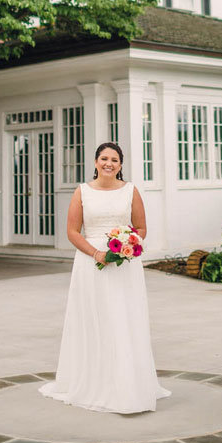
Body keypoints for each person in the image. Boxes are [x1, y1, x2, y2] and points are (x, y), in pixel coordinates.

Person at [39, 141, 171, 413]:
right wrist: (96, 254)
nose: (108, 163)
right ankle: (94, 382)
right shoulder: (82, 192)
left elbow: (142, 227)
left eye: (114, 159)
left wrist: (129, 244)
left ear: (120, 165)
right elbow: (73, 232)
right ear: (96, 162)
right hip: (90, 264)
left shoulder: (131, 191)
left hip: (125, 264)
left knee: (124, 318)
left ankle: (129, 385)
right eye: (104, 158)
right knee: (95, 319)